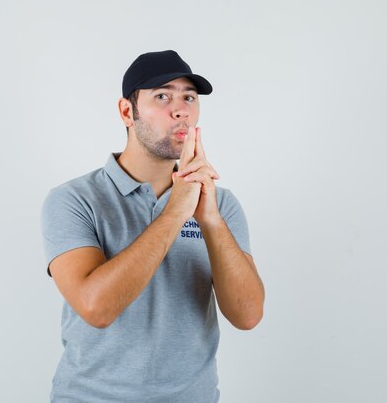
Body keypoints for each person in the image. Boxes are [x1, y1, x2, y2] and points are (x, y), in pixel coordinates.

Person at [41, 50, 265, 403]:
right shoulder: (73, 199)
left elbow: (248, 315)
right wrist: (176, 210)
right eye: (162, 96)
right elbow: (96, 308)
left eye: (188, 97)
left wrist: (209, 220)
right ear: (127, 112)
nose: (180, 110)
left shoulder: (219, 205)